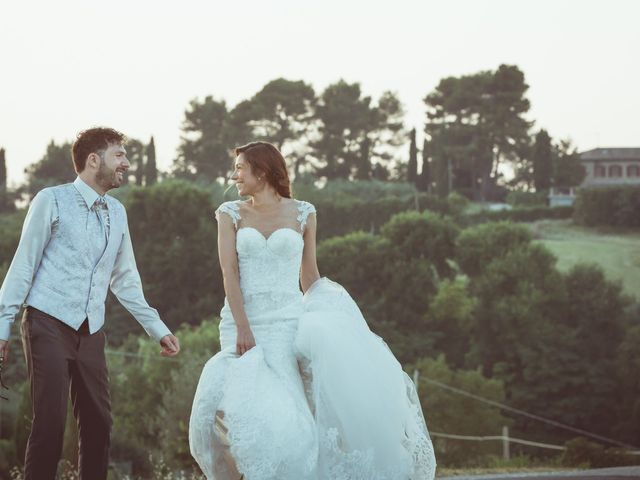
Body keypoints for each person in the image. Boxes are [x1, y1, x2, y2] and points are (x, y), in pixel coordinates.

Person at [189, 141, 436, 480]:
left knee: (293, 417)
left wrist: (334, 315)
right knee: (250, 407)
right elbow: (229, 273)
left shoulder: (304, 212)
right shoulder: (230, 213)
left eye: (240, 169)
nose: (235, 176)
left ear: (261, 172)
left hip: (288, 325)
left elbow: (309, 275)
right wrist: (244, 327)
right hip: (242, 324)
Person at [0, 127, 180, 480]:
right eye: (119, 155)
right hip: (46, 323)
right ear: (93, 160)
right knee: (50, 423)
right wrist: (2, 327)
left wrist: (157, 328)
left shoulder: (118, 212)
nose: (127, 163)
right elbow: (22, 267)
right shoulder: (50, 200)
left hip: (92, 330)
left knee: (99, 424)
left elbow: (125, 279)